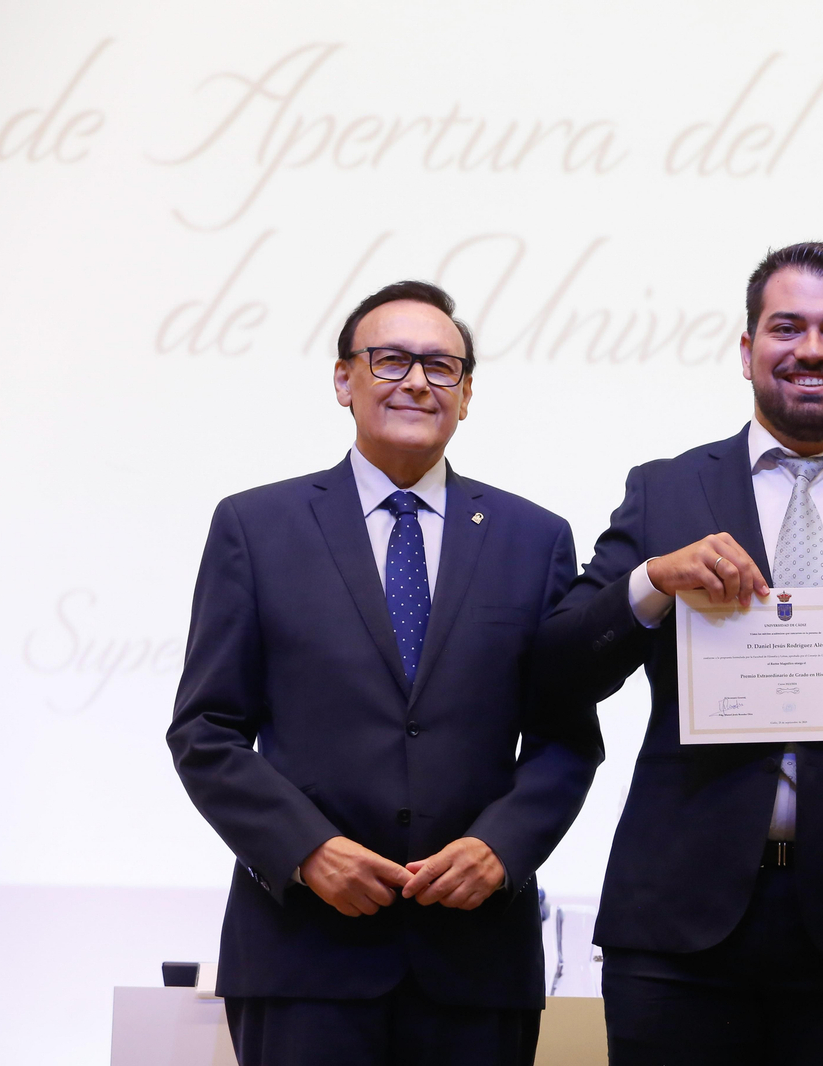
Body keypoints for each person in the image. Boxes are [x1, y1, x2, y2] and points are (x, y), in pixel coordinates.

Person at [536, 242, 823, 1065]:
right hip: (677, 925)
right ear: (747, 349)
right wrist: (651, 582)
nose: (813, 350)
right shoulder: (666, 491)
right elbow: (558, 666)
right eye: (787, 327)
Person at [167, 280, 601, 1066]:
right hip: (302, 954)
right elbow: (206, 729)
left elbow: (565, 739)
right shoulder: (255, 527)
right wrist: (305, 849)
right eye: (391, 359)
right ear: (344, 380)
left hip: (475, 964)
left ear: (467, 395)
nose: (415, 382)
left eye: (441, 367)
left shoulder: (533, 538)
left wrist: (502, 849)